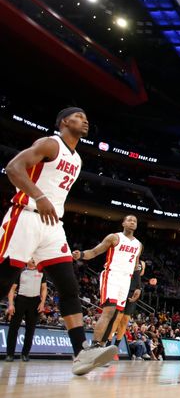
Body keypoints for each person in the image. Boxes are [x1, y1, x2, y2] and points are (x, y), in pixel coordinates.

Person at [0, 107, 117, 375]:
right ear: (64, 121)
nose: (85, 120)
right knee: (3, 279)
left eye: (87, 117)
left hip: (53, 226)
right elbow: (13, 168)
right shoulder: (50, 143)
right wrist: (39, 197)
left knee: (69, 286)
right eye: (78, 116)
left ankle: (81, 354)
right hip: (26, 216)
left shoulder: (77, 160)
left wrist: (47, 202)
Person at [72, 215, 142, 350]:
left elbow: (136, 266)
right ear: (123, 223)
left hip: (126, 279)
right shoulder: (114, 237)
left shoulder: (138, 244)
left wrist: (138, 286)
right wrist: (80, 254)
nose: (132, 222)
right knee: (109, 311)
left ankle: (102, 347)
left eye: (135, 221)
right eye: (129, 220)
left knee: (116, 315)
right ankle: (95, 345)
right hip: (112, 275)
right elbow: (94, 251)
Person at [4, 258, 47, 361]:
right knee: (14, 328)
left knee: (30, 329)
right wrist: (11, 304)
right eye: (31, 258)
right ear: (27, 259)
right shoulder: (20, 271)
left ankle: (25, 354)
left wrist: (42, 303)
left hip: (35, 301)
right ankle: (10, 354)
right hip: (21, 300)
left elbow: (44, 288)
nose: (33, 260)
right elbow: (12, 289)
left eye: (35, 258)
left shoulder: (41, 271)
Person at [109, 260, 146, 348]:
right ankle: (108, 342)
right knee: (117, 318)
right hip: (123, 289)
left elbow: (139, 275)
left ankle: (116, 346)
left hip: (134, 291)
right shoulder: (127, 257)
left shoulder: (143, 263)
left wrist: (139, 288)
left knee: (125, 320)